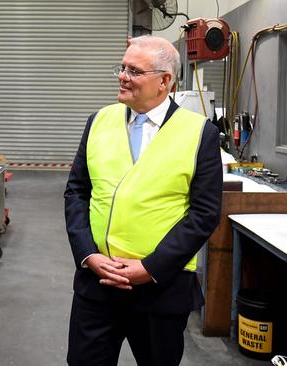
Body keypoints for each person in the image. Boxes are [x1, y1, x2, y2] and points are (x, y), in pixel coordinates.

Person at [64, 35, 222, 366]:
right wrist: (87, 254)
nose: (123, 76)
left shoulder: (198, 133)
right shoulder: (99, 122)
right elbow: (77, 192)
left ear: (164, 81)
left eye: (134, 71)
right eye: (121, 68)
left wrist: (150, 268)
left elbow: (204, 213)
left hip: (159, 290)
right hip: (98, 283)